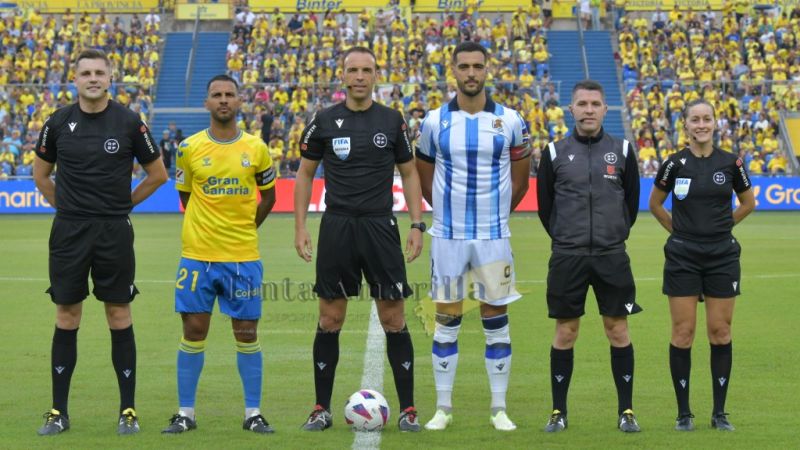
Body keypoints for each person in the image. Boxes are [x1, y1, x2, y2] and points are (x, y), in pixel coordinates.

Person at [33, 49, 168, 436]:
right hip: (69, 233)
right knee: (66, 316)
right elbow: (41, 176)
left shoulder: (129, 122)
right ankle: (58, 411)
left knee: (119, 315)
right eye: (86, 73)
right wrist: (69, 208)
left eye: (99, 72)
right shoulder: (57, 122)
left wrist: (123, 204)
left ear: (110, 78)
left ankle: (128, 410)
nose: (93, 78)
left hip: (114, 232)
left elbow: (156, 174)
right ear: (74, 80)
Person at [294, 46, 424, 432]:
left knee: (394, 318)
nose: (360, 77)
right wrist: (300, 226)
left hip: (381, 226)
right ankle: (321, 408)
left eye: (367, 70)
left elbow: (411, 173)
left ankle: (409, 410)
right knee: (330, 318)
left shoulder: (392, 120)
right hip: (337, 226)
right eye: (353, 70)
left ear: (375, 75)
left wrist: (417, 225)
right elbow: (304, 174)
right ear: (343, 75)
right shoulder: (324, 121)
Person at [415, 41, 531, 432]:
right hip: (447, 237)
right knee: (446, 319)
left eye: (477, 66)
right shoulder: (434, 121)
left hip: (494, 238)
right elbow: (424, 176)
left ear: (487, 69)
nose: (470, 73)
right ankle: (442, 408)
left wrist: (495, 217)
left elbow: (520, 181)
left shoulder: (511, 120)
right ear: (453, 70)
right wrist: (446, 214)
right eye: (463, 66)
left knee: (495, 318)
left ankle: (499, 408)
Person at [161, 75, 277, 434]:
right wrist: (208, 228)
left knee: (246, 333)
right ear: (207, 103)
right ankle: (186, 414)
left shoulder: (256, 148)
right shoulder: (189, 148)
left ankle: (253, 413)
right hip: (197, 257)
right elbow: (185, 197)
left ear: (240, 102)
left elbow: (269, 197)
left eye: (229, 95)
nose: (223, 100)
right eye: (217, 95)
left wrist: (243, 230)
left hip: (242, 258)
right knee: (194, 331)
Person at [536, 80, 642, 433]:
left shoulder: (624, 150)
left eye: (595, 104)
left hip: (612, 256)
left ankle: (626, 411)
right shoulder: (554, 152)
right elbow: (545, 208)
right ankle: (558, 412)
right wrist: (568, 238)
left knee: (618, 329)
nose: (589, 110)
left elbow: (630, 204)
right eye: (582, 103)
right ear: (571, 109)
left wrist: (612, 236)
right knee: (566, 332)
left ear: (605, 109)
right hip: (568, 256)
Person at [649, 99, 755, 432]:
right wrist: (679, 233)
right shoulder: (673, 163)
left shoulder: (731, 162)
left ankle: (719, 413)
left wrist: (724, 227)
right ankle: (684, 414)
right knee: (683, 333)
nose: (701, 124)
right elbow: (655, 204)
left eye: (707, 119)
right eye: (695, 119)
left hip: (722, 255)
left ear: (715, 123)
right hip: (683, 256)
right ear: (687, 125)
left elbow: (748, 202)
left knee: (720, 332)